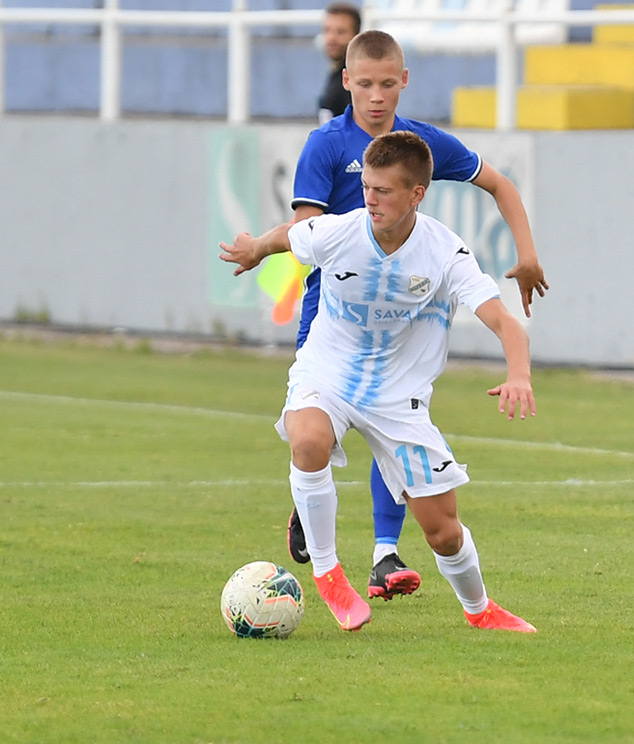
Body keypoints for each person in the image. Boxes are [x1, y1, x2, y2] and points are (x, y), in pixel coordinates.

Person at [251, 29, 547, 605]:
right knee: (317, 432)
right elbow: (302, 232)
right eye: (365, 84)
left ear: (404, 82)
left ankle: (385, 551)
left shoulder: (424, 150)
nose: (377, 95)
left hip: (405, 321)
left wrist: (527, 253)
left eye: (388, 83)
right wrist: (262, 253)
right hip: (334, 311)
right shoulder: (327, 145)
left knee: (397, 425)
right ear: (346, 83)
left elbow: (498, 183)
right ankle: (318, 508)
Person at [219, 130, 537, 634]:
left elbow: (503, 320)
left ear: (417, 194)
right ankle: (328, 574)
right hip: (329, 371)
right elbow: (289, 235)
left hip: (398, 397)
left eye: (383, 191)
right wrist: (256, 249)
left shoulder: (444, 252)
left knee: (443, 531)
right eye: (366, 187)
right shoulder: (340, 230)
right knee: (307, 440)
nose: (370, 199)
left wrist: (518, 373)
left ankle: (481, 611)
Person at [317, 2, 360, 124]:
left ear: (355, 35)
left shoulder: (358, 81)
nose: (332, 38)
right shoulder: (336, 74)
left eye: (340, 32)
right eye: (327, 30)